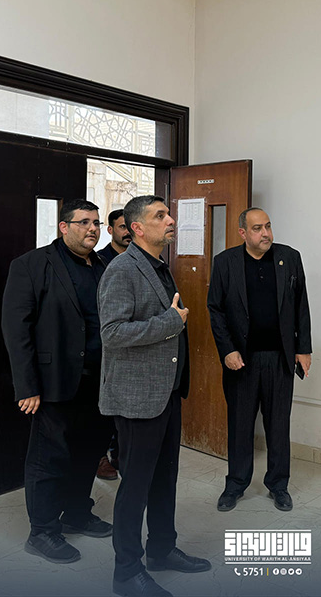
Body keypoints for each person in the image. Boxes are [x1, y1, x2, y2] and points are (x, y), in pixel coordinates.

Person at [99, 195, 211, 597]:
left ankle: (162, 550)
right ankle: (126, 572)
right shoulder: (121, 269)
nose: (171, 220)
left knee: (165, 479)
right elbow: (112, 333)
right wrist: (169, 323)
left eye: (168, 214)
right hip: (137, 399)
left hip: (166, 393)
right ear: (137, 228)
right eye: (160, 215)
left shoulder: (159, 266)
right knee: (136, 487)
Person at [1, 198, 113, 564]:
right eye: (84, 222)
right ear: (64, 227)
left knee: (88, 452)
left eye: (96, 222)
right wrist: (27, 385)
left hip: (99, 382)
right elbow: (16, 330)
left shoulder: (103, 265)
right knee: (48, 459)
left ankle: (77, 513)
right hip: (53, 382)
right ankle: (43, 531)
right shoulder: (32, 265)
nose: (92, 229)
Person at [207, 207, 312, 513]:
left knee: (278, 425)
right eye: (257, 228)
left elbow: (301, 305)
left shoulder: (289, 257)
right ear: (243, 233)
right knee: (240, 425)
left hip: (280, 358)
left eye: (268, 226)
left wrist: (303, 348)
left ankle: (278, 485)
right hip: (242, 360)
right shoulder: (225, 262)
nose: (266, 233)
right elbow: (216, 310)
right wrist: (227, 350)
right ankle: (235, 484)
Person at [95, 208, 131, 482]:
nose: (127, 232)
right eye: (121, 227)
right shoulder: (99, 261)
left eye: (130, 226)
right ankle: (100, 457)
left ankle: (119, 454)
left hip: (131, 345)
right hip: (105, 341)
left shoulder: (141, 259)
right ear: (110, 230)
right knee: (103, 410)